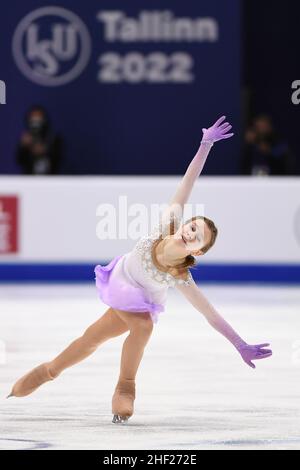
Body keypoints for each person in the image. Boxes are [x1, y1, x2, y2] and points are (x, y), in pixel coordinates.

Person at [8, 116, 272, 424]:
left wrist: (240, 344)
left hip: (137, 301)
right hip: (121, 282)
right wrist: (205, 145)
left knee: (105, 335)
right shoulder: (168, 224)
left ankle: (75, 376)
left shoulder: (181, 277)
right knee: (116, 333)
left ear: (197, 250)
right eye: (192, 226)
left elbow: (210, 314)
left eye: (197, 237)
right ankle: (89, 379)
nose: (190, 232)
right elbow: (188, 181)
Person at [16, 105, 63, 175]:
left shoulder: (53, 138)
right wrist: (23, 147)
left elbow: (59, 159)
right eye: (33, 117)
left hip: (51, 179)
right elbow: (20, 160)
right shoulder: (26, 138)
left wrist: (46, 150)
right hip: (29, 179)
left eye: (38, 116)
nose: (36, 120)